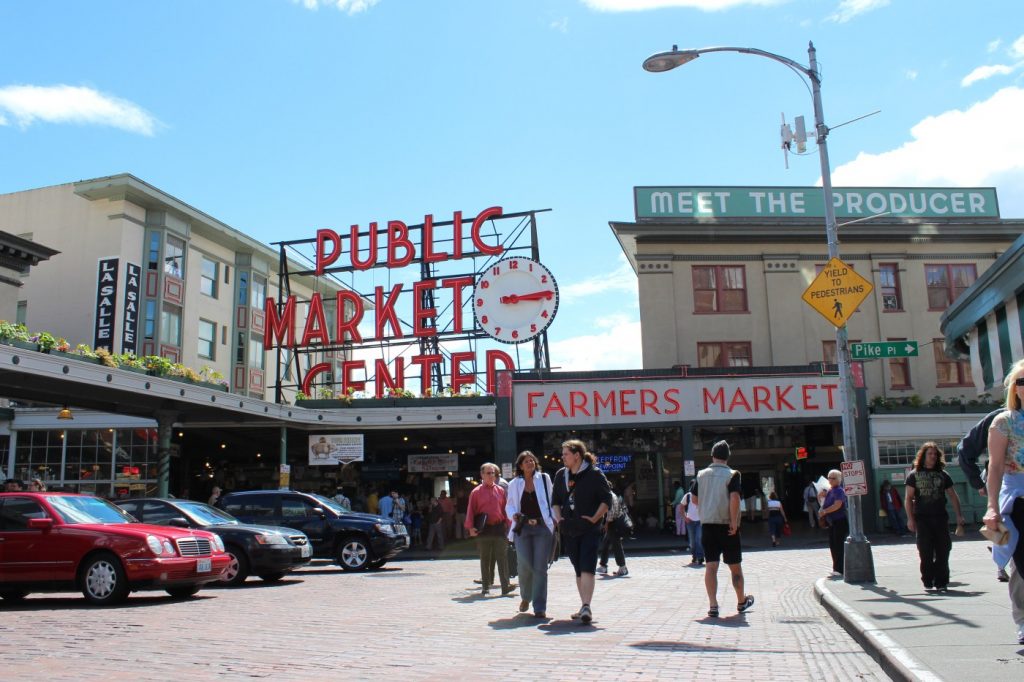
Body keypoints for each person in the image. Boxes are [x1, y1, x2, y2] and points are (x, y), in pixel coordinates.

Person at [983, 358, 1024, 644]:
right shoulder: (1004, 421)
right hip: (1019, 501)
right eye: (1021, 381)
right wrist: (991, 507)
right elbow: (995, 467)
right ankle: (1023, 622)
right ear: (1014, 388)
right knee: (1022, 566)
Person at [551, 439, 612, 625]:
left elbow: (606, 500)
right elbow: (555, 501)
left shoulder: (594, 474)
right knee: (578, 568)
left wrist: (594, 519)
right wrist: (559, 519)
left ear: (577, 455)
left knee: (587, 566)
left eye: (566, 454)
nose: (562, 457)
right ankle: (583, 605)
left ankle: (587, 605)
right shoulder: (561, 475)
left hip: (589, 529)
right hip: (569, 529)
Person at [692, 440, 754, 618]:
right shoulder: (733, 474)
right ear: (727, 457)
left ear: (712, 455)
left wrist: (708, 503)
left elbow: (694, 500)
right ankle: (741, 601)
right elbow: (734, 497)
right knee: (735, 567)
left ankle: (713, 605)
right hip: (727, 525)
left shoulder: (701, 475)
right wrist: (734, 522)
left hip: (708, 526)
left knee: (711, 566)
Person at [958, 406, 1011, 582]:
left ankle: (1002, 558)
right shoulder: (1001, 417)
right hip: (1005, 482)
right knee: (1004, 521)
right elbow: (964, 450)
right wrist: (978, 482)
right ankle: (1002, 562)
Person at [905, 442, 965, 592]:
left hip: (940, 517)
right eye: (929, 453)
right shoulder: (914, 475)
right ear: (923, 456)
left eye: (935, 454)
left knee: (943, 550)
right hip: (922, 518)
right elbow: (908, 498)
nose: (932, 456)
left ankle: (942, 581)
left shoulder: (943, 474)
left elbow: (953, 495)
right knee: (925, 551)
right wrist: (910, 519)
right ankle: (927, 579)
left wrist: (959, 515)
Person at [505, 450, 556, 618]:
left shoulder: (544, 479)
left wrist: (554, 520)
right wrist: (513, 514)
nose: (530, 463)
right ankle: (526, 597)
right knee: (524, 566)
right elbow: (510, 505)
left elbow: (552, 499)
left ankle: (539, 607)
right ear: (520, 465)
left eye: (532, 461)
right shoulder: (514, 484)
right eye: (526, 461)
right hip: (523, 528)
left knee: (540, 567)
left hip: (542, 527)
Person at [465, 462, 513, 596]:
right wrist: (470, 528)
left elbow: (505, 509)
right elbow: (471, 511)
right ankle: (485, 587)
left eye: (493, 473)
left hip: (499, 528)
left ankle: (505, 587)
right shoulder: (476, 492)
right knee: (485, 558)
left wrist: (510, 526)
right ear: (482, 475)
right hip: (483, 530)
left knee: (502, 558)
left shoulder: (501, 490)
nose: (491, 476)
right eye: (488, 473)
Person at [819, 469, 848, 577]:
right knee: (833, 545)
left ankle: (840, 569)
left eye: (833, 478)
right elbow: (824, 504)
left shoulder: (839, 490)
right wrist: (820, 496)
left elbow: (837, 505)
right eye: (829, 477)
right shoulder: (830, 490)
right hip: (832, 521)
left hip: (839, 520)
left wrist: (825, 511)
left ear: (839, 479)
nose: (830, 480)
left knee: (838, 545)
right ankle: (836, 568)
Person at [597, 488, 629, 578]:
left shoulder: (609, 496)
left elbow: (610, 513)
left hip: (613, 524)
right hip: (613, 523)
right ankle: (603, 565)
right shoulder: (613, 494)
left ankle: (623, 567)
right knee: (606, 543)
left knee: (617, 546)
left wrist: (606, 524)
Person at [682, 484, 704, 565]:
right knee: (692, 541)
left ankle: (700, 557)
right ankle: (694, 555)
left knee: (699, 539)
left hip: (700, 521)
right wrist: (685, 517)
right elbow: (681, 506)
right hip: (690, 521)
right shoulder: (687, 496)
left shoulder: (703, 495)